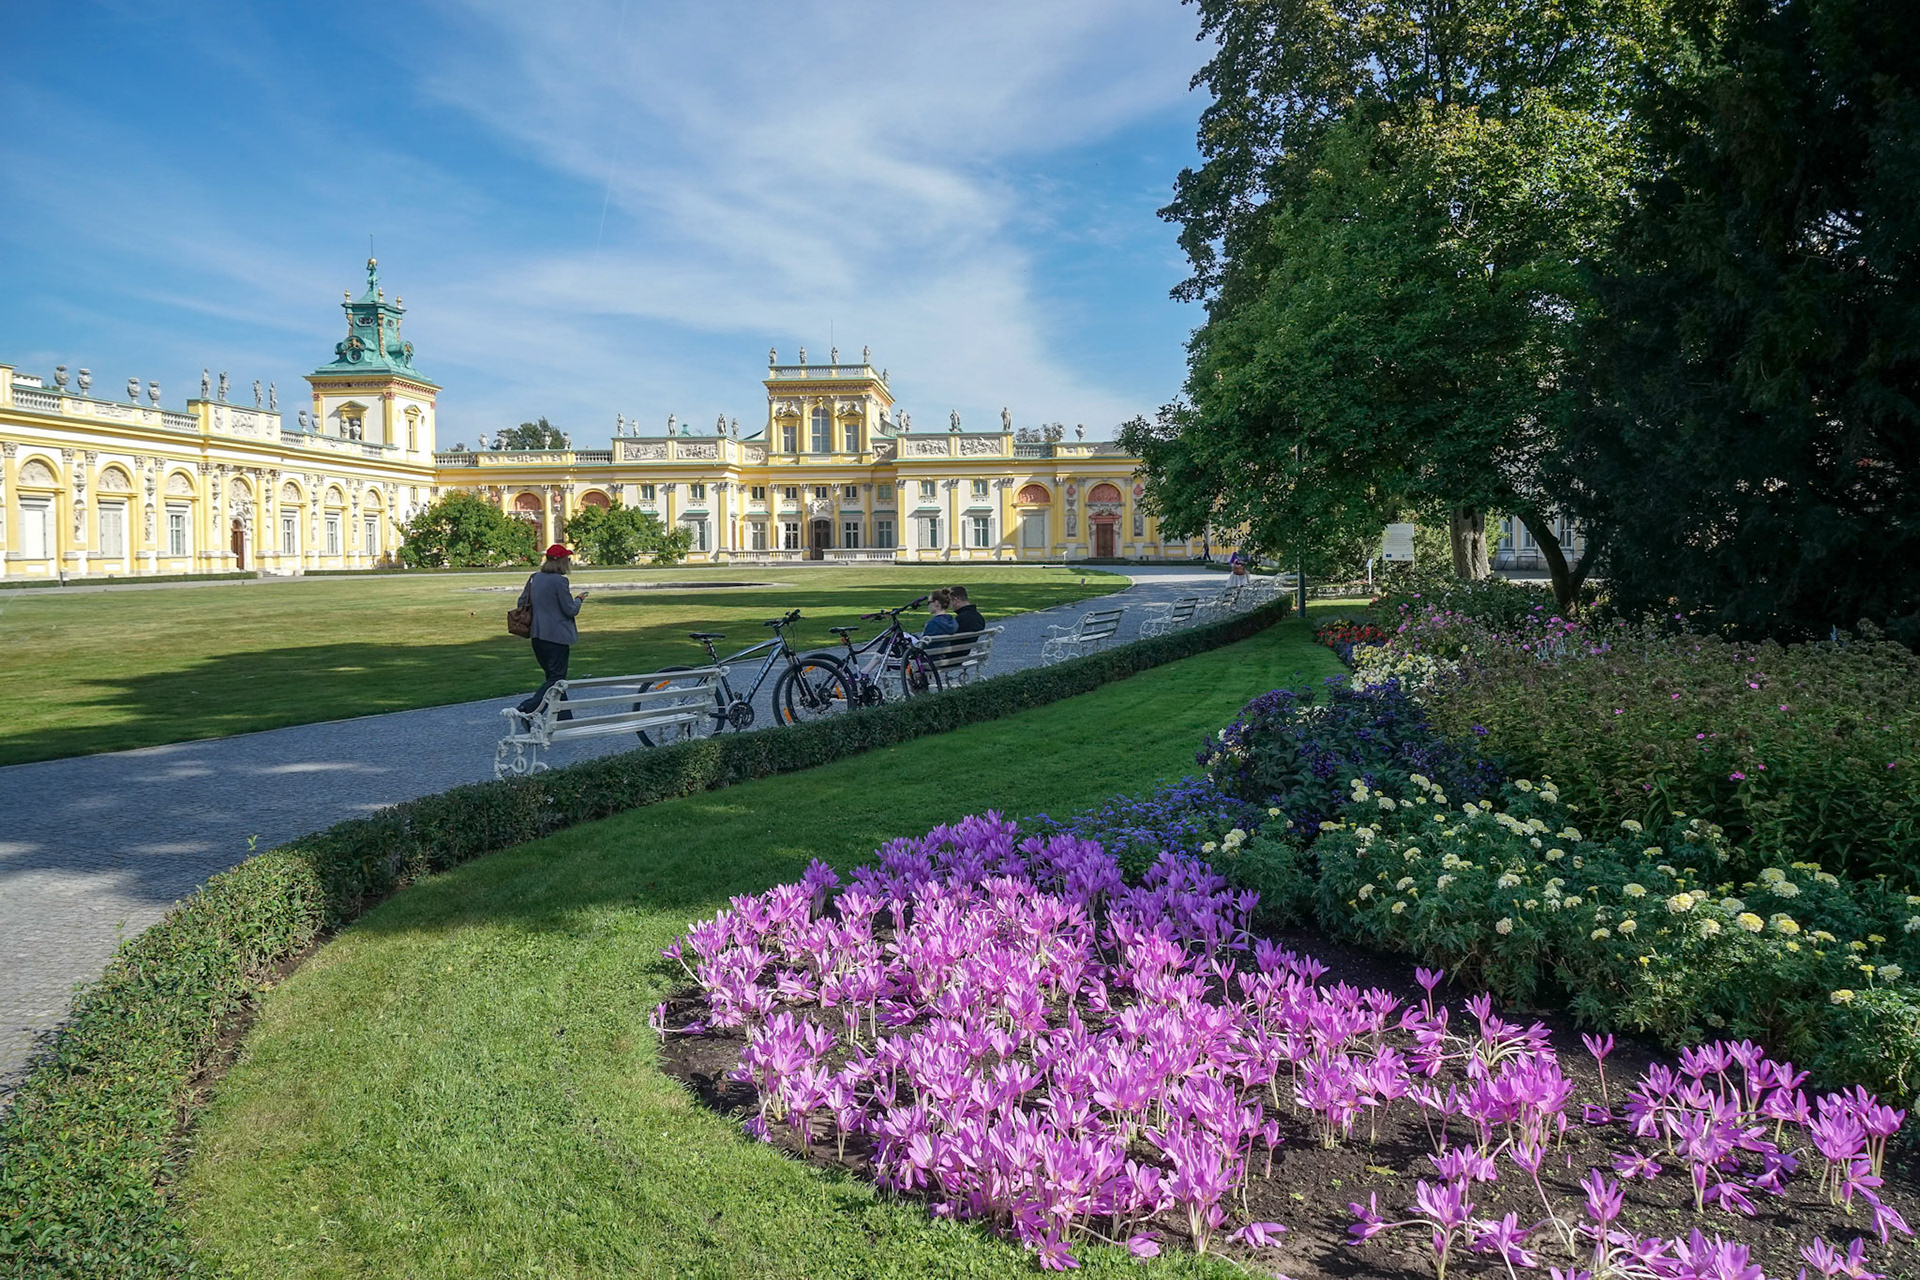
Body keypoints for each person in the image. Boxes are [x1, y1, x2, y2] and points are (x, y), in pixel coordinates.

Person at [516, 544, 589, 715]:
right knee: (557, 679)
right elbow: (570, 609)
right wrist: (579, 599)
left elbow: (521, 604)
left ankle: (564, 716)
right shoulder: (560, 581)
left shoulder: (534, 578)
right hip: (557, 637)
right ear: (561, 561)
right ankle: (528, 708)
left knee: (553, 678)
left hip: (537, 635)